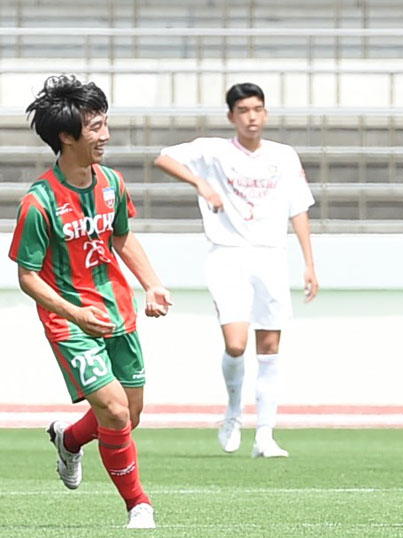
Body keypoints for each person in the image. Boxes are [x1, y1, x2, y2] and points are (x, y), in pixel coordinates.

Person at [9, 75, 172, 529]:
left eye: (105, 124)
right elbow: (26, 276)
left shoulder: (113, 183)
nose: (106, 135)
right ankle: (138, 504)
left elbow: (121, 236)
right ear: (67, 136)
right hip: (71, 321)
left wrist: (151, 284)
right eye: (96, 127)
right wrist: (75, 313)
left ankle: (69, 440)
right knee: (114, 410)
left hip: (117, 311)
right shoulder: (39, 203)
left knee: (128, 416)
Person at [154, 82, 318, 458]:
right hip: (228, 254)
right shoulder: (214, 151)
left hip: (271, 255)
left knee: (270, 347)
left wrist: (309, 263)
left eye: (257, 109)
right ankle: (232, 413)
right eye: (243, 111)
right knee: (236, 343)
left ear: (266, 113)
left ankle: (265, 435)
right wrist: (201, 183)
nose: (251, 117)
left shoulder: (284, 156)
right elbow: (163, 158)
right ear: (231, 116)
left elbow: (299, 208)